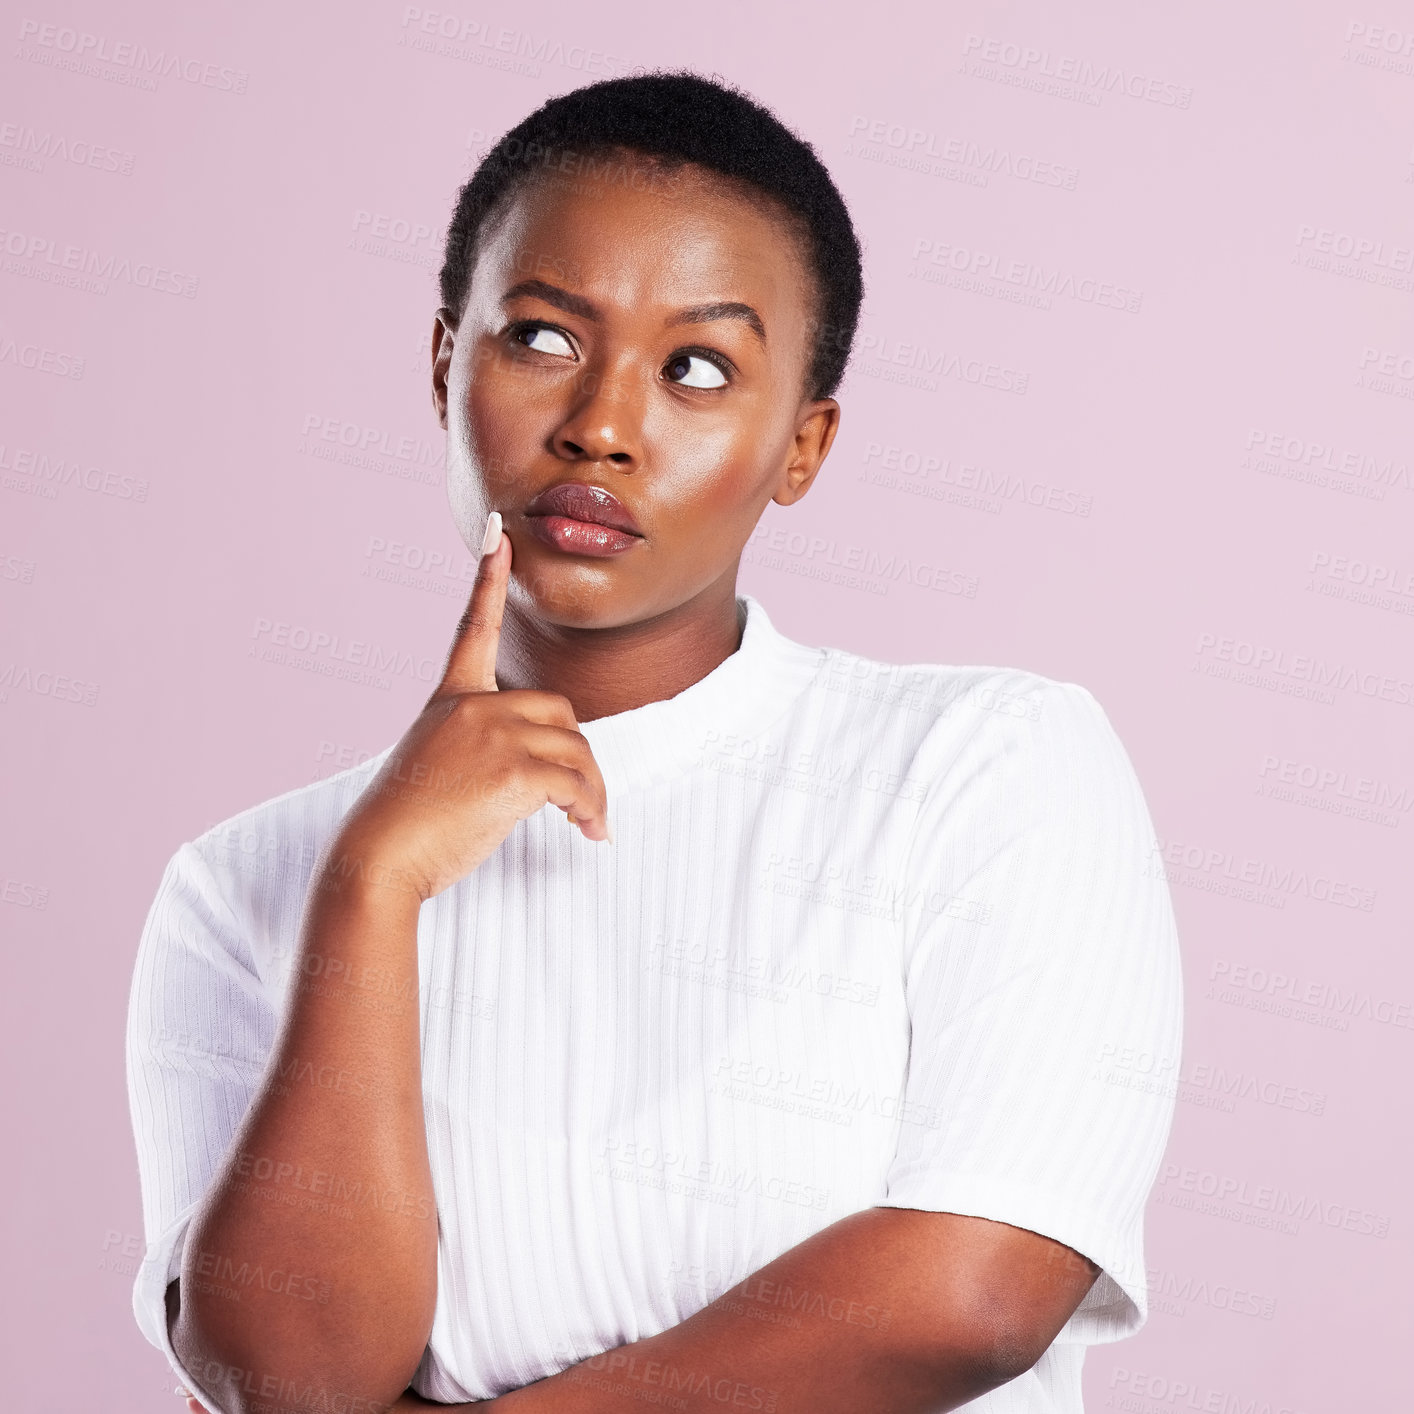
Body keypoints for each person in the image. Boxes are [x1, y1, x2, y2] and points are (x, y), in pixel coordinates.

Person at [128, 69, 1183, 1414]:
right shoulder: (245, 883)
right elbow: (291, 1384)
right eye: (542, 338)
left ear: (801, 445)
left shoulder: (983, 763)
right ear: (445, 360)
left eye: (695, 368)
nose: (601, 426)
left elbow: (975, 1287)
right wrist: (369, 889)